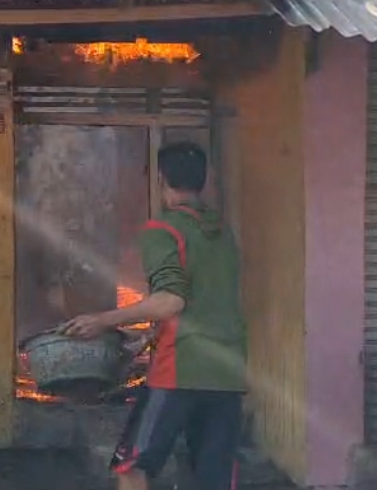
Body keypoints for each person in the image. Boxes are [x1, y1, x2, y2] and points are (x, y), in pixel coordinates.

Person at [60, 141, 247, 490]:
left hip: (180, 368)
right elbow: (207, 300)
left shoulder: (164, 229)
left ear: (161, 179)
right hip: (228, 371)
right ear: (203, 181)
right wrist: (151, 334)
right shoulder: (223, 233)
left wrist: (102, 320)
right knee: (216, 478)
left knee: (131, 466)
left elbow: (170, 301)